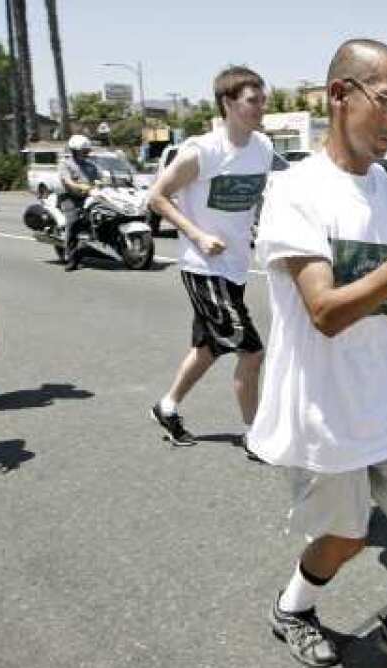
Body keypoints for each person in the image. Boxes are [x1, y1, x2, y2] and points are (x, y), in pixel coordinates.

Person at [248, 39, 387, 668]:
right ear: (340, 95)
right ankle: (293, 607)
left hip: (385, 396)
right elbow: (326, 312)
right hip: (324, 405)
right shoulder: (297, 191)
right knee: (344, 538)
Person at [146, 66, 274, 448]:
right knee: (251, 353)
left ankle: (166, 407)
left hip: (234, 265)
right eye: (253, 101)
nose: (261, 107)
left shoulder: (263, 148)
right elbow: (156, 197)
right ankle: (257, 436)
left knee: (208, 348)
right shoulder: (201, 151)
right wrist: (198, 235)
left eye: (262, 99)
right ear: (228, 104)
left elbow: (258, 199)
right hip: (203, 268)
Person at [58, 134, 100, 272]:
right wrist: (79, 186)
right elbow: (67, 181)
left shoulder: (91, 166)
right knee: (73, 221)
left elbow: (99, 180)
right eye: (84, 151)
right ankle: (70, 257)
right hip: (70, 198)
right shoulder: (65, 163)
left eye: (87, 150)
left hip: (89, 197)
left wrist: (103, 183)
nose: (87, 153)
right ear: (75, 151)